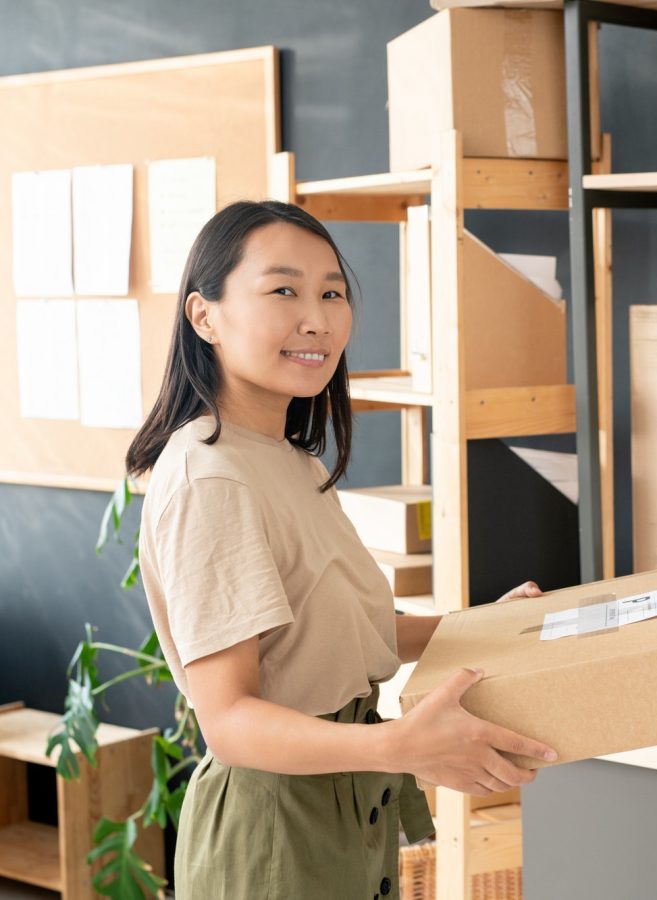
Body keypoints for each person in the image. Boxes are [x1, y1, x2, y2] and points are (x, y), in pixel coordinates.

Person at [127, 200, 558, 899]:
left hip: (342, 799)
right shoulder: (210, 476)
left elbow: (332, 635)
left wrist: (476, 626)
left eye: (332, 292)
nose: (317, 319)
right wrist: (396, 744)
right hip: (275, 825)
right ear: (204, 316)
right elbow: (231, 721)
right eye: (283, 291)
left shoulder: (284, 456)